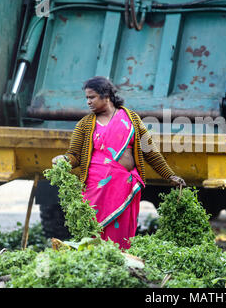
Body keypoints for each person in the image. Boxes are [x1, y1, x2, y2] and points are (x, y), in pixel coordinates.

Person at [52, 76, 185, 248]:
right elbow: (75, 155)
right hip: (96, 189)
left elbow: (150, 151)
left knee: (121, 234)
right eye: (86, 98)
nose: (88, 102)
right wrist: (63, 160)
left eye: (92, 97)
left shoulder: (132, 119)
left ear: (106, 95)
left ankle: (121, 262)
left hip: (125, 186)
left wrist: (170, 175)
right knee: (94, 232)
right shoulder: (84, 125)